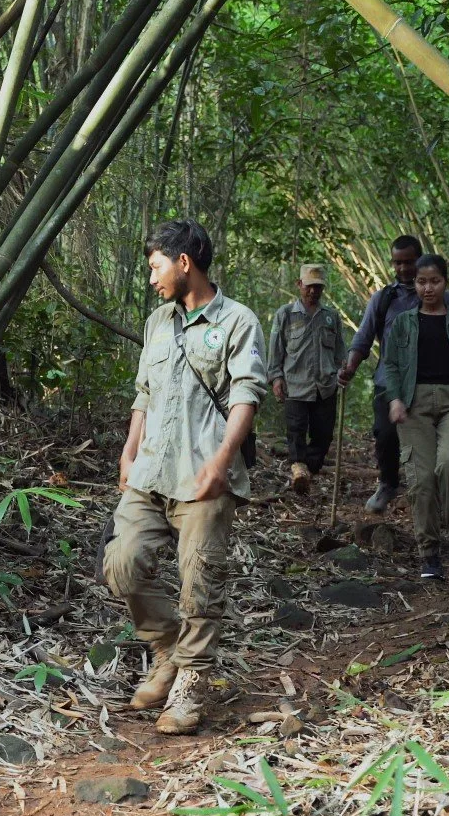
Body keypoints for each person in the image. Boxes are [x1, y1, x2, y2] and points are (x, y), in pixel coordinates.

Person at [105, 220, 266, 735]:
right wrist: (128, 454)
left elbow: (246, 394)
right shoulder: (158, 321)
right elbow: (144, 394)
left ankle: (192, 681)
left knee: (201, 580)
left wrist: (221, 462)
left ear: (183, 263)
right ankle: (166, 647)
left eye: (155, 267)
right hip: (150, 470)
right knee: (122, 563)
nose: (151, 278)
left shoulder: (238, 321)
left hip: (203, 474)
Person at [380, 253, 449, 578]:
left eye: (434, 281)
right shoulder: (403, 322)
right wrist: (395, 399)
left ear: (445, 282)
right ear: (414, 284)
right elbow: (391, 364)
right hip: (414, 405)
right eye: (421, 282)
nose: (427, 288)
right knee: (422, 479)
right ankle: (429, 553)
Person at [337, 235, 423, 512]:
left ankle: (427, 493)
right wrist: (350, 366)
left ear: (419, 261)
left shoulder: (436, 294)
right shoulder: (384, 298)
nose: (402, 269)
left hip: (425, 382)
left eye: (408, 262)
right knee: (385, 435)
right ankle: (387, 483)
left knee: (425, 440)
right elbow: (364, 336)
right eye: (397, 263)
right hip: (388, 381)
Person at [267, 264, 349, 494]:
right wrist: (275, 378)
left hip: (325, 385)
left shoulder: (331, 317)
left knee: (323, 434)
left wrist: (343, 373)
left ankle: (309, 470)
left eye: (318, 287)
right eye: (309, 286)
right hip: (295, 385)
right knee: (296, 431)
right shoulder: (285, 315)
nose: (313, 291)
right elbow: (276, 350)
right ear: (299, 284)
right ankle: (298, 468)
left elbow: (340, 352)